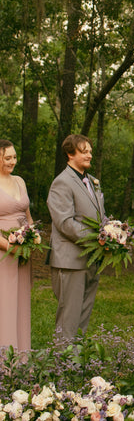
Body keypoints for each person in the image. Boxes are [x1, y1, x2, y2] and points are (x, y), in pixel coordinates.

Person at [47, 134, 105, 341]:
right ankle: (62, 360)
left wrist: (113, 232)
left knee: (82, 318)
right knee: (68, 319)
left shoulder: (93, 181)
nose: (90, 155)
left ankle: (77, 357)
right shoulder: (61, 183)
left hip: (91, 259)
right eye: (84, 151)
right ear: (70, 154)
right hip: (70, 260)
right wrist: (97, 239)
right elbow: (65, 223)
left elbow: (100, 216)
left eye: (90, 151)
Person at [0, 140, 34, 351]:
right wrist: (9, 247)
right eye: (7, 158)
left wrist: (32, 237)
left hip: (23, 251)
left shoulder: (20, 181)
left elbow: (28, 216)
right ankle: (4, 359)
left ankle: (22, 357)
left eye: (14, 157)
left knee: (21, 303)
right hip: (3, 254)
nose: (13, 162)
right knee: (5, 303)